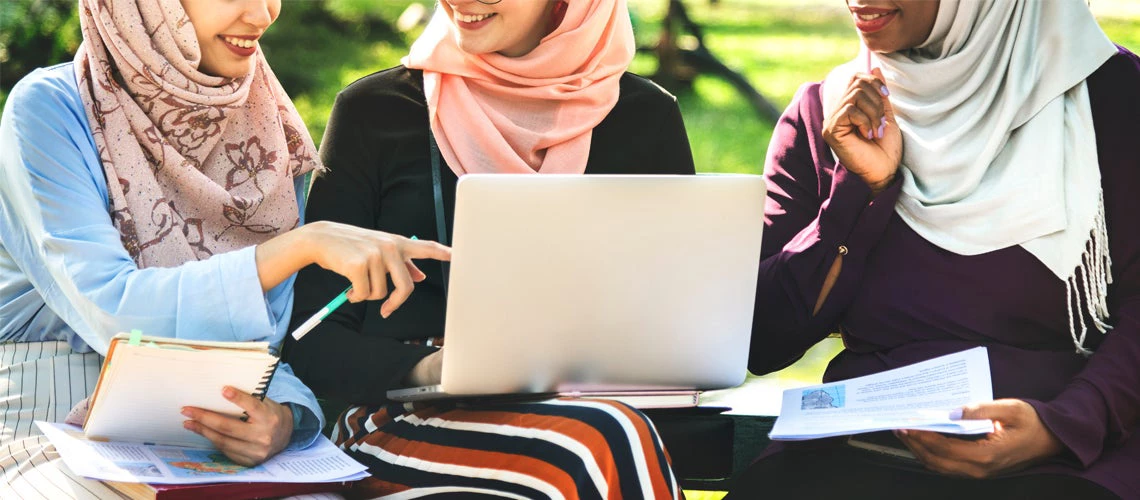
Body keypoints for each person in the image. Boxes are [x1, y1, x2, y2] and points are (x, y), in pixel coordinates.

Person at [0, 0, 447, 497]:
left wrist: (284, 416)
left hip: (216, 439)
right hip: (50, 430)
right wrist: (299, 247)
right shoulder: (50, 109)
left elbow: (273, 336)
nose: (263, 15)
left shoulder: (261, 121)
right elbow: (112, 312)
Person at [284, 0, 694, 497]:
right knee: (598, 443)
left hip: (595, 402)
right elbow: (312, 338)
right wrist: (430, 370)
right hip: (402, 417)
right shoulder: (376, 110)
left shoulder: (645, 116)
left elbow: (674, 307)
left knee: (601, 436)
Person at [731, 0, 1139, 498]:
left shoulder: (1113, 99)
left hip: (1067, 462)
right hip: (856, 453)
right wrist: (857, 192)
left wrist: (1063, 425)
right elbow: (762, 340)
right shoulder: (828, 114)